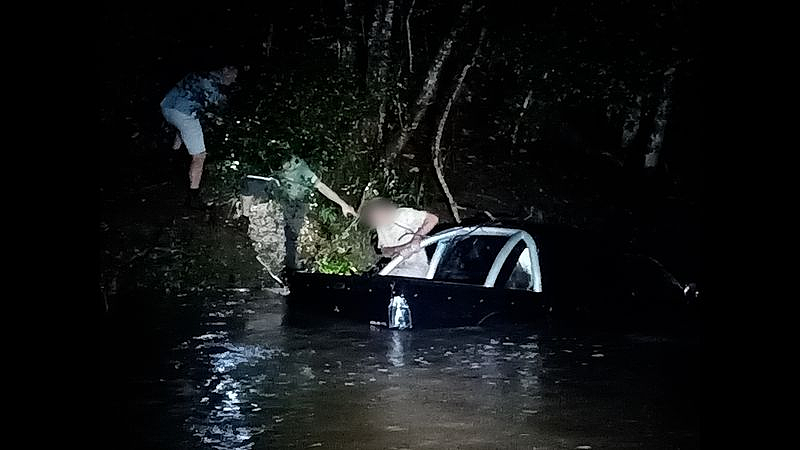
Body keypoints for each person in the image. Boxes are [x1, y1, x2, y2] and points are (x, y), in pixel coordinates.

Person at [247, 156, 357, 270]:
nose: (281, 171)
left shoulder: (302, 170)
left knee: (291, 234)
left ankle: (291, 266)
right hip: (284, 199)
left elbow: (321, 187)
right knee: (281, 230)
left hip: (298, 202)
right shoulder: (275, 168)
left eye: (282, 168)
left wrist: (343, 204)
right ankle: (284, 262)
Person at [160, 66, 238, 208]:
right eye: (233, 75)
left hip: (167, 107)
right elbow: (220, 109)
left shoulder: (199, 73)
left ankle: (169, 164)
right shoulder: (214, 86)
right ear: (225, 71)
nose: (234, 79)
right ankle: (193, 197)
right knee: (199, 156)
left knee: (181, 130)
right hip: (184, 113)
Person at [360, 198, 439, 278]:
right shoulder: (380, 226)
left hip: (419, 265)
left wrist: (417, 237)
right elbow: (385, 251)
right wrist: (399, 249)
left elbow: (433, 219)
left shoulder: (403, 214)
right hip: (399, 266)